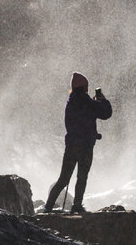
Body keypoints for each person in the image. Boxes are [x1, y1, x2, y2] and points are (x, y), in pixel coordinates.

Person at [42, 72, 112, 213]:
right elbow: (106, 113)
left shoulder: (71, 102)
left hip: (72, 146)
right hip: (85, 146)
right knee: (82, 176)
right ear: (85, 87)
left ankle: (48, 207)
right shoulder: (88, 103)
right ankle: (77, 206)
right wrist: (102, 100)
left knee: (63, 178)